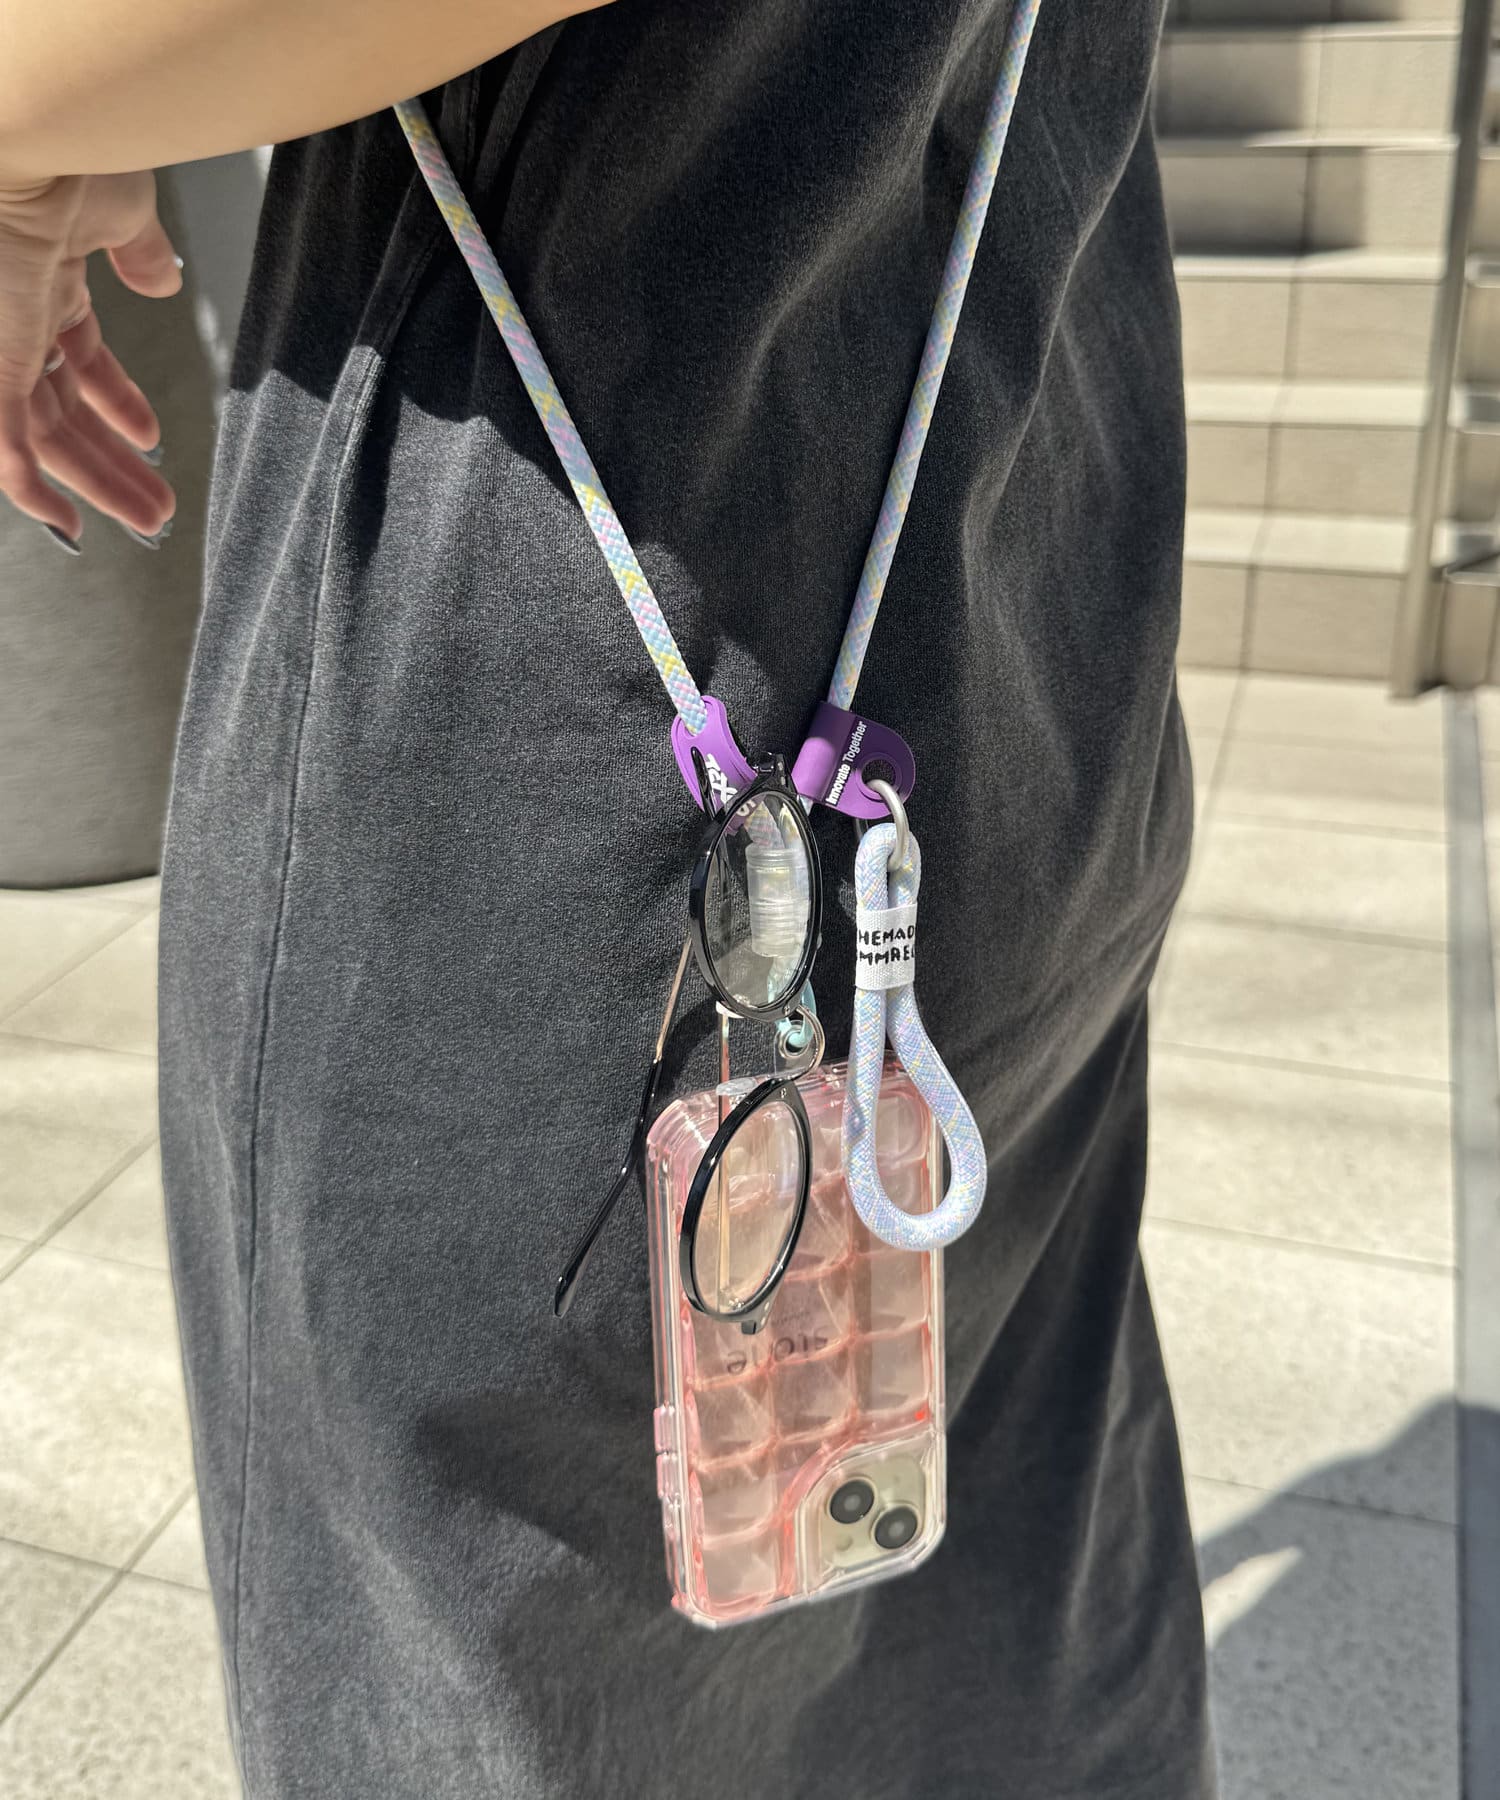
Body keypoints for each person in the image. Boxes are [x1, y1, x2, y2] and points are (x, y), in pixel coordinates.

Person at [0, 2, 1216, 1794]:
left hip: (574, 698)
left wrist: (33, 130)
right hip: (1031, 618)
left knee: (519, 1691)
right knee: (1001, 1604)